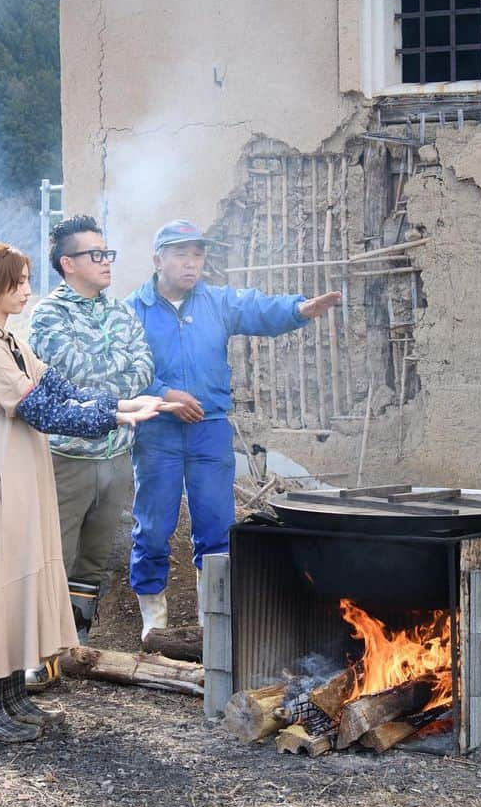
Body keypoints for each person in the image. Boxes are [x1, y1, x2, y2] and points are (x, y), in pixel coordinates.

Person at [0, 242, 169, 743]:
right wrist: (110, 416)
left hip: (24, 479)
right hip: (1, 484)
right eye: (18, 282)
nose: (27, 291)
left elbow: (59, 388)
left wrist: (123, 405)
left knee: (20, 586)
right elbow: (39, 410)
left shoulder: (9, 341)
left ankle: (10, 698)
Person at [125, 220, 342, 640]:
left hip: (210, 429)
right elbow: (123, 373)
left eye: (198, 255)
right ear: (158, 260)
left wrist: (299, 310)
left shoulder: (216, 302)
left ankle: (213, 620)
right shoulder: (134, 311)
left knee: (216, 523)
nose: (191, 264)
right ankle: (154, 620)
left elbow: (257, 308)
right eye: (181, 255)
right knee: (153, 526)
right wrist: (165, 394)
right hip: (158, 431)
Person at [25, 215, 154, 688]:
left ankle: (73, 646)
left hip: (116, 457)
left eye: (107, 253)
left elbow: (143, 368)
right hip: (67, 459)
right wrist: (113, 376)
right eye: (95, 255)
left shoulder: (120, 312)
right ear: (68, 263)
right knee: (53, 556)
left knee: (93, 560)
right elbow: (69, 377)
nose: (106, 262)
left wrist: (109, 376)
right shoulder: (48, 316)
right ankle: (38, 653)